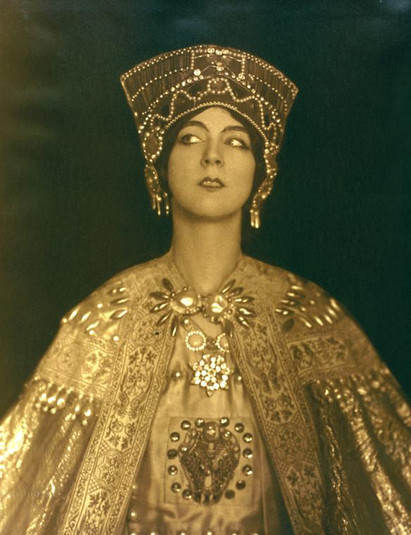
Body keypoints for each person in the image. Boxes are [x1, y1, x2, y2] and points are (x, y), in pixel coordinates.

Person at [0, 44, 409, 535]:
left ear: (261, 171)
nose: (212, 156)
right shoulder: (107, 317)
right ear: (160, 164)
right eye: (190, 138)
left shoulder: (305, 314)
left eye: (236, 142)